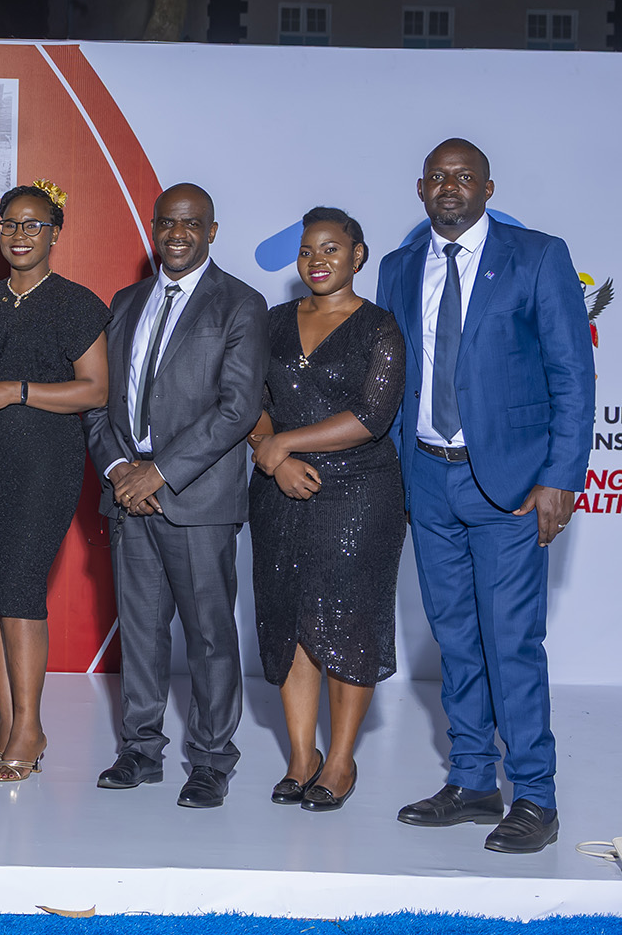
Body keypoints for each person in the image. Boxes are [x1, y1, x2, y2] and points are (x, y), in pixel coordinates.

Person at [375, 139, 594, 854]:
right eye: (437, 177)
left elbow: (572, 374)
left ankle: (536, 795)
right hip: (427, 479)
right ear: (420, 188)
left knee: (511, 642)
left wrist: (562, 476)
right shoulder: (398, 267)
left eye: (464, 176)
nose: (450, 187)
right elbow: (395, 376)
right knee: (455, 639)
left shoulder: (537, 257)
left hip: (509, 485)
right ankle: (472, 780)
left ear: (488, 188)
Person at [83, 183, 269, 809]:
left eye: (191, 223)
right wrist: (119, 470)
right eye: (166, 222)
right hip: (127, 494)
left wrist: (158, 473)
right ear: (153, 228)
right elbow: (100, 400)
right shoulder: (125, 301)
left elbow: (238, 409)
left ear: (211, 231)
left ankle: (212, 760)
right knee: (140, 632)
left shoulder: (240, 304)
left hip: (196, 498)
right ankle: (140, 749)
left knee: (210, 635)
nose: (177, 234)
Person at [242, 206, 406, 813]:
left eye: (331, 249)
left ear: (357, 256)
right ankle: (299, 757)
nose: (317, 260)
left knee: (347, 621)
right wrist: (274, 456)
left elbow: (372, 417)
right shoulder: (272, 322)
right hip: (279, 491)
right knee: (289, 617)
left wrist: (285, 443)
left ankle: (339, 760)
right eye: (308, 250)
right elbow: (251, 402)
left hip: (360, 492)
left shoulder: (379, 328)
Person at [0, 182, 109, 782]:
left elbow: (95, 389)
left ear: (55, 232)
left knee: (19, 588)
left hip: (45, 461)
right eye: (10, 224)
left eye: (33, 224)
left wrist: (14, 390)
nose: (20, 235)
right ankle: (9, 724)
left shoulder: (75, 303)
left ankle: (31, 728)